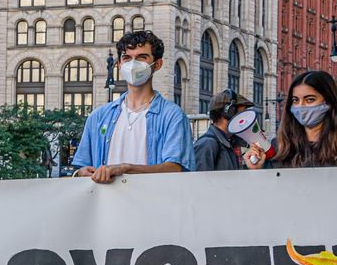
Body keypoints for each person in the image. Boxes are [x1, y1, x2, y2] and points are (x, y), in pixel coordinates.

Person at [72, 31, 195, 183]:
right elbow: (81, 167)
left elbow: (177, 168)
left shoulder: (172, 116)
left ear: (157, 64)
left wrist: (127, 169)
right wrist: (80, 173)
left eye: (142, 57)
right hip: (106, 205)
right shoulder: (98, 116)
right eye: (127, 58)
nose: (133, 64)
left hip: (151, 204)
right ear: (119, 64)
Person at [245, 71, 337, 168]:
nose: (301, 106)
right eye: (295, 100)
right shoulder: (280, 147)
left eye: (310, 99)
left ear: (329, 102)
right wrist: (256, 170)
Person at [193, 90, 256, 171]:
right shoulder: (207, 145)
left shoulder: (233, 143)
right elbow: (199, 181)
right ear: (229, 113)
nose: (245, 118)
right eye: (242, 113)